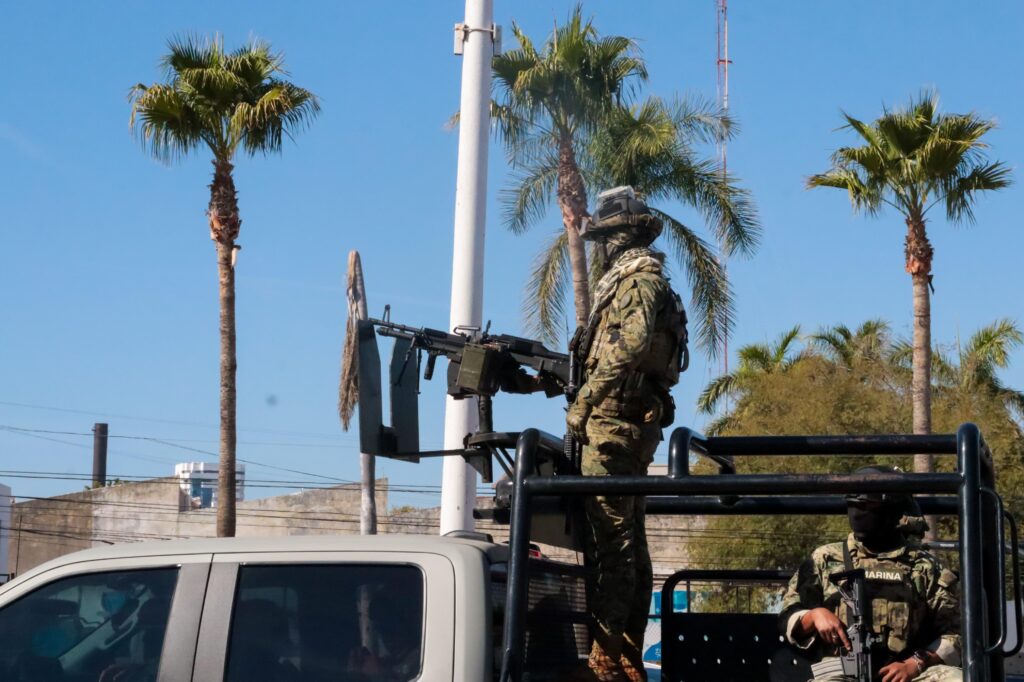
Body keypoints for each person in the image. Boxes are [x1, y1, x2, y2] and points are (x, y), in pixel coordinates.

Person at [566, 186, 688, 682]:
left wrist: (585, 400)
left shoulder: (637, 281)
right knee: (629, 543)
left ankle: (609, 656)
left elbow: (632, 343)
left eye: (607, 236)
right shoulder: (645, 280)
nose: (602, 247)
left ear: (619, 238)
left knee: (611, 544)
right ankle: (626, 655)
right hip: (630, 424)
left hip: (613, 425)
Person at [778, 466, 962, 682]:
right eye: (853, 504)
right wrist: (814, 615)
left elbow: (957, 633)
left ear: (892, 510)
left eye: (868, 505)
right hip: (843, 673)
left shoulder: (923, 567)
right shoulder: (826, 559)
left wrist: (916, 664)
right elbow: (789, 614)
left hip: (906, 673)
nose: (858, 512)